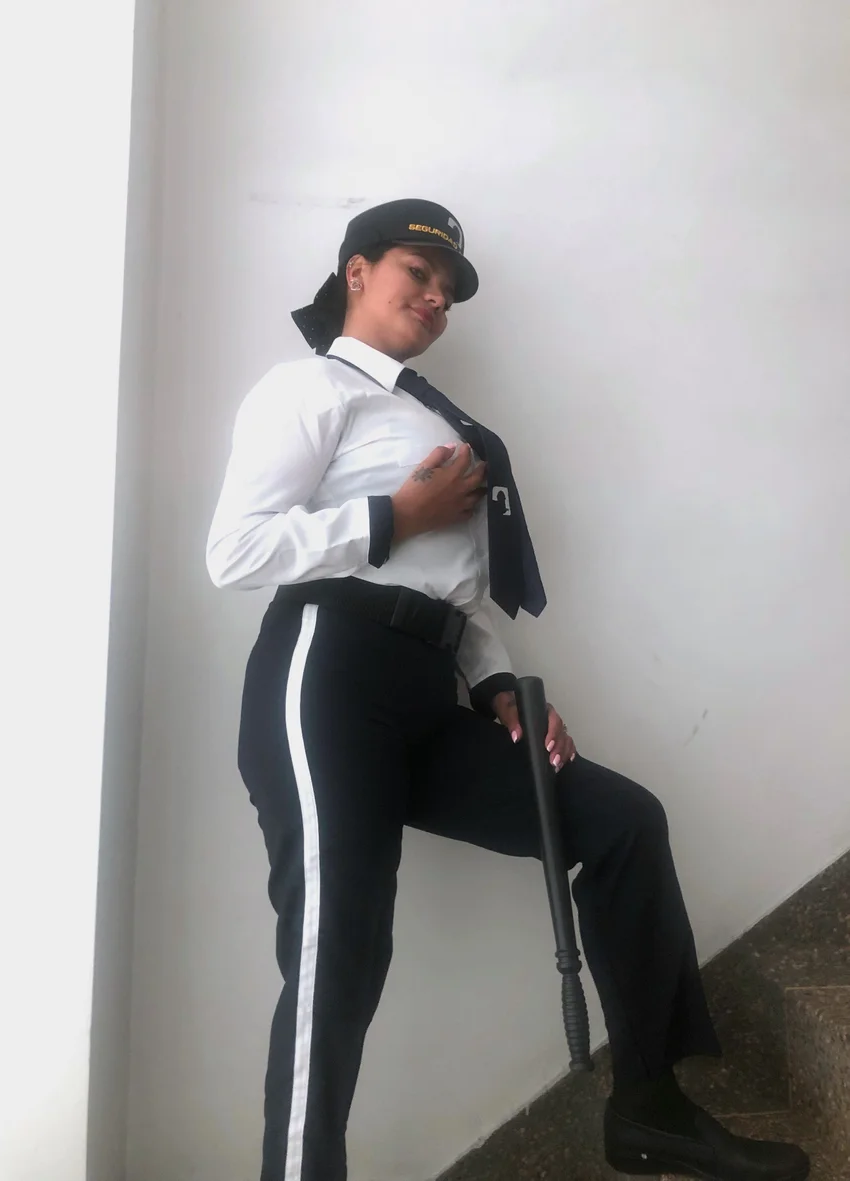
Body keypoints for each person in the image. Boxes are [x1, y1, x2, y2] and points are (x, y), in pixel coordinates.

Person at [206, 199, 809, 1181]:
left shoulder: (436, 417)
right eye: (418, 274)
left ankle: (649, 1108)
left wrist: (493, 681)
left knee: (620, 820)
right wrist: (392, 514)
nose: (436, 299)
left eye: (448, 291)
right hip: (326, 673)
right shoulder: (308, 387)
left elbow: (451, 583)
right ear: (356, 271)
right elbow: (234, 551)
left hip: (427, 685)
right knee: (339, 938)